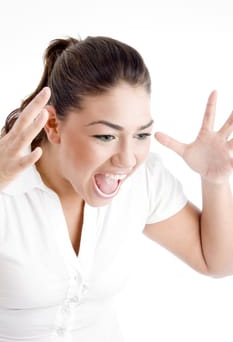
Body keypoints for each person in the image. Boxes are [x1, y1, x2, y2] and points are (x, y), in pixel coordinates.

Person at [0, 35, 233, 342]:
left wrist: (214, 181)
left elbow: (215, 261)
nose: (127, 159)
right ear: (54, 126)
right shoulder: (8, 187)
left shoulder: (144, 181)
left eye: (141, 135)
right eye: (106, 137)